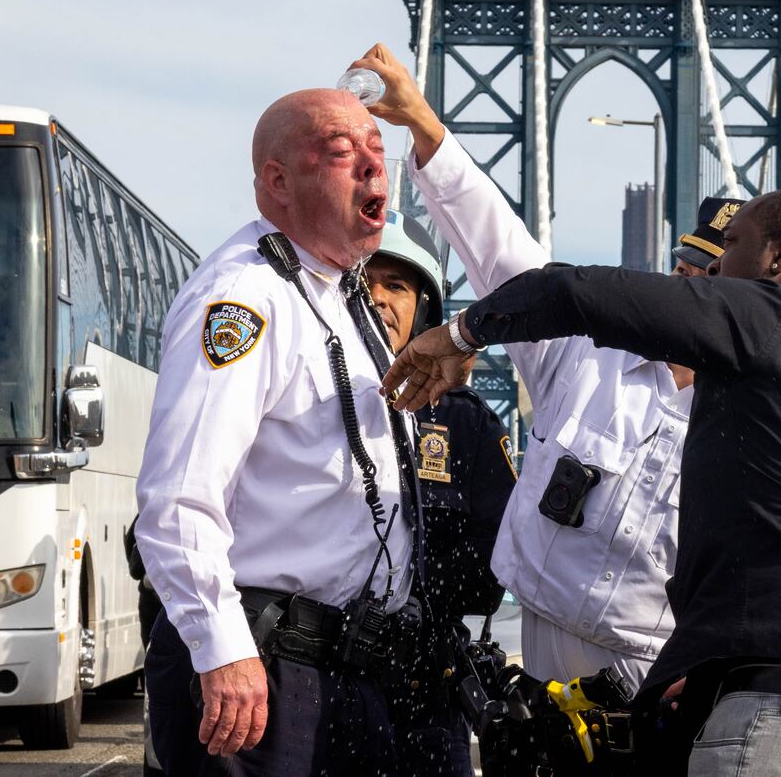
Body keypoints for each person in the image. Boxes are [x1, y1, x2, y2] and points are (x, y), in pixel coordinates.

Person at [384, 191, 781, 776]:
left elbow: (569, 292)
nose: (712, 273)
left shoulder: (763, 315)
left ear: (779, 258)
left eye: (729, 249)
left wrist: (459, 336)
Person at [353, 41, 742, 697]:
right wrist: (424, 125)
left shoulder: (753, 416)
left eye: (711, 281)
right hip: (547, 653)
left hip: (665, 672)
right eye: (684, 274)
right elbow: (501, 252)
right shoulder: (586, 353)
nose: (690, 291)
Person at [134, 86, 421, 776]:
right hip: (264, 670)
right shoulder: (243, 299)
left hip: (344, 668)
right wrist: (222, 648)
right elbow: (178, 498)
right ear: (279, 181)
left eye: (379, 152)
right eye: (343, 153)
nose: (373, 170)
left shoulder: (337, 292)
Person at [365, 210, 516, 776]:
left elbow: (497, 561)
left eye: (396, 286)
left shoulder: (468, 426)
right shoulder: (296, 402)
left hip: (424, 690)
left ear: (424, 309)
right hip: (317, 679)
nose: (378, 297)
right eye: (363, 283)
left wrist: (417, 595)